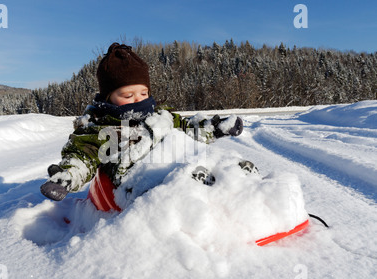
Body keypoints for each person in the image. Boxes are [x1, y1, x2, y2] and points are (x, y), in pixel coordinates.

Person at [40, 43, 253, 209]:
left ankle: (244, 190)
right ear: (108, 97)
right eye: (128, 95)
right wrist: (67, 177)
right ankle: (198, 211)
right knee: (174, 188)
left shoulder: (161, 116)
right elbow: (82, 155)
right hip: (136, 185)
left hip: (175, 165)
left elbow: (189, 127)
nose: (138, 100)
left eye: (143, 93)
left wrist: (215, 127)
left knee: (217, 166)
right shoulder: (100, 127)